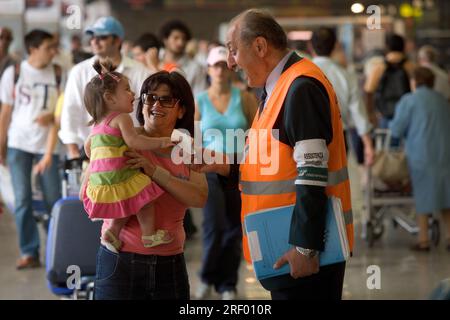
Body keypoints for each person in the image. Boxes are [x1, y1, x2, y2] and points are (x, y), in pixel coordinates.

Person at [198, 9, 353, 300]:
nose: (230, 62)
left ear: (259, 46)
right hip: (284, 245)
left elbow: (312, 172)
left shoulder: (300, 87)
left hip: (306, 255)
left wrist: (306, 247)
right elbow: (273, 163)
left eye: (233, 51)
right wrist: (225, 166)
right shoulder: (277, 88)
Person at [93, 70, 208, 300]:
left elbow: (199, 198)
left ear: (181, 110)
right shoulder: (123, 138)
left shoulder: (187, 148)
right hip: (119, 260)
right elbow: (92, 175)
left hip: (169, 264)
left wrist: (154, 172)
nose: (156, 104)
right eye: (150, 97)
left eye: (166, 99)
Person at [81, 60, 176, 252]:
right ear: (110, 98)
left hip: (101, 182)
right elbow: (135, 142)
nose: (133, 94)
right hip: (120, 176)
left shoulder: (98, 124)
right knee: (145, 199)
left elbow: (88, 147)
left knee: (126, 202)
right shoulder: (122, 118)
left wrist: (100, 159)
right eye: (126, 90)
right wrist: (162, 142)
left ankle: (113, 232)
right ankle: (149, 235)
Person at [194, 46, 257, 300]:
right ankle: (208, 277)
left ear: (230, 69)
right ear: (208, 69)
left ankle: (227, 283)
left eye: (223, 65)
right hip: (209, 170)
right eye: (215, 65)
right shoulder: (199, 100)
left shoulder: (244, 98)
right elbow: (195, 139)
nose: (219, 70)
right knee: (214, 226)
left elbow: (258, 132)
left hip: (238, 169)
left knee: (234, 228)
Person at [0, 29, 62, 269]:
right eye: (49, 47)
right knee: (22, 198)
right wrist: (1, 144)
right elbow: (5, 112)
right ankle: (29, 251)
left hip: (48, 146)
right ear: (34, 49)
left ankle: (57, 249)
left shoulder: (57, 73)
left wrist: (51, 116)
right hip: (18, 144)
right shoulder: (14, 73)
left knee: (53, 199)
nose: (53, 51)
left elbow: (61, 108)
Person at [60, 16, 150, 160]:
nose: (94, 41)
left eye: (102, 37)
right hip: (92, 154)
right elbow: (71, 111)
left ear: (117, 40)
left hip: (132, 153)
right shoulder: (79, 71)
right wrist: (74, 152)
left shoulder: (140, 71)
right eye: (93, 36)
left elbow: (148, 109)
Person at [389, 67, 450, 252]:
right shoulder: (442, 100)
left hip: (421, 156)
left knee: (423, 197)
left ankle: (423, 240)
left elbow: (396, 129)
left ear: (414, 81)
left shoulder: (409, 101)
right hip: (445, 154)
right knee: (446, 196)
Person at [311, 27, 374, 167]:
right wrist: (368, 145)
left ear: (311, 46)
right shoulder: (346, 75)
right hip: (338, 139)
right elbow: (358, 112)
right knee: (336, 185)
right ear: (335, 46)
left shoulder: (301, 73)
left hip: (307, 140)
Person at [364, 33, 414, 129]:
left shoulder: (378, 67)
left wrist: (370, 114)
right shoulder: (410, 66)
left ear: (387, 48)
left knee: (385, 142)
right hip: (406, 115)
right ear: (403, 47)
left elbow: (368, 92)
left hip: (384, 114)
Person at [159, 19, 207, 95]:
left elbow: (199, 96)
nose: (180, 43)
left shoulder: (195, 68)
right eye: (176, 38)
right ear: (165, 40)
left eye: (183, 39)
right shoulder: (155, 61)